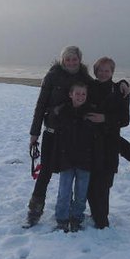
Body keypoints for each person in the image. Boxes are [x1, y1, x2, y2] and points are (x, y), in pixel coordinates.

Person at [25, 45, 93, 226]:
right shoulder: (52, 76)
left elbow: (100, 91)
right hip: (52, 132)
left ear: (79, 60)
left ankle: (69, 209)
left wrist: (122, 84)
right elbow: (40, 105)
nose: (71, 62)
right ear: (62, 60)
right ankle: (35, 210)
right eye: (67, 59)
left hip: (73, 135)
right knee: (45, 172)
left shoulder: (85, 78)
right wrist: (34, 133)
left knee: (70, 173)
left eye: (74, 59)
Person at [85, 56, 130, 229]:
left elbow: (125, 120)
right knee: (90, 182)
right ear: (95, 71)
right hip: (90, 142)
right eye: (100, 70)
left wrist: (104, 118)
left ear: (112, 72)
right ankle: (97, 214)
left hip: (110, 143)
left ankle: (102, 219)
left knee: (105, 183)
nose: (103, 73)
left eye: (107, 70)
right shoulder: (89, 87)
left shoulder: (120, 90)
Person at [50, 82, 96, 232]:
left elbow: (95, 137)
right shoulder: (63, 112)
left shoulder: (91, 113)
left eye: (83, 94)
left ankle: (77, 218)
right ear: (71, 94)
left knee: (81, 193)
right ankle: (61, 219)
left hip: (85, 160)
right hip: (66, 159)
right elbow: (54, 131)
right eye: (77, 93)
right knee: (64, 192)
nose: (80, 97)